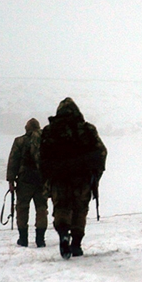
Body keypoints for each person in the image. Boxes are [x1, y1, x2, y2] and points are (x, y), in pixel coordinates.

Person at [39, 98, 107, 259]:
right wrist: (96, 175)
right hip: (82, 177)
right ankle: (76, 244)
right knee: (80, 209)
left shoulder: (49, 131)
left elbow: (41, 157)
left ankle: (63, 233)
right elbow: (101, 152)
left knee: (61, 208)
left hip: (59, 178)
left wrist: (48, 177)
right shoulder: (87, 129)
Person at [7, 118, 49, 247]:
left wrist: (11, 180)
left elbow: (13, 161)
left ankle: (23, 238)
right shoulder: (45, 140)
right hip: (41, 179)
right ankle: (40, 239)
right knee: (41, 209)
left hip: (25, 180)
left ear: (27, 128)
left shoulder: (19, 141)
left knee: (22, 208)